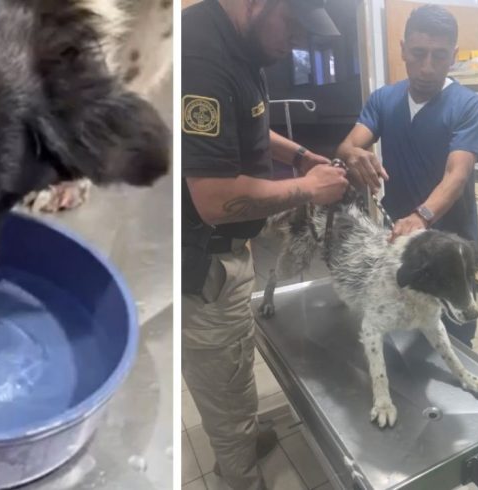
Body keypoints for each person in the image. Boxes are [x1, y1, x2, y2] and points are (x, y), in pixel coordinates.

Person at [181, 1, 349, 488]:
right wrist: (308, 189)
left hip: (227, 249)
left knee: (235, 367)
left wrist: (299, 155)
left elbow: (250, 123)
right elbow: (213, 200)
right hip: (202, 260)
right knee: (224, 379)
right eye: (291, 23)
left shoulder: (243, 47)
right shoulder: (202, 59)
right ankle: (241, 474)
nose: (295, 39)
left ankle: (243, 435)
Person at [337, 4, 478, 347]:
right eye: (418, 53)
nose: (427, 67)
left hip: (452, 249)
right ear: (402, 48)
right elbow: (349, 145)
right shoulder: (384, 100)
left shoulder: (468, 107)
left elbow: (458, 172)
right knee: (399, 328)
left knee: (454, 334)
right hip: (398, 242)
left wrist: (421, 216)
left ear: (453, 55)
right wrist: (353, 155)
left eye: (439, 56)